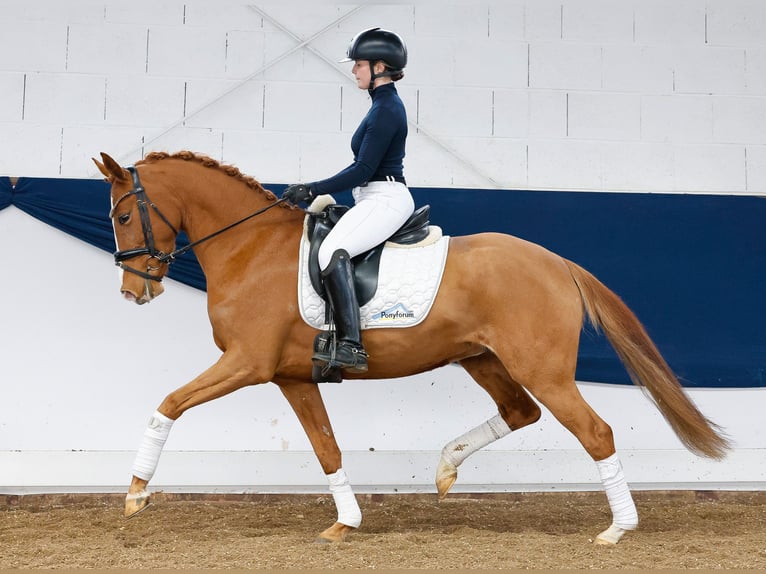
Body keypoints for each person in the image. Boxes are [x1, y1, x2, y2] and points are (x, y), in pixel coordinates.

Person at [282, 27, 414, 374]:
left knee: (331, 252)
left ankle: (352, 345)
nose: (354, 70)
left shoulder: (387, 109)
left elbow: (363, 168)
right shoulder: (380, 106)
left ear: (380, 66)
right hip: (372, 196)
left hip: (386, 197)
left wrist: (312, 188)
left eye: (359, 64)